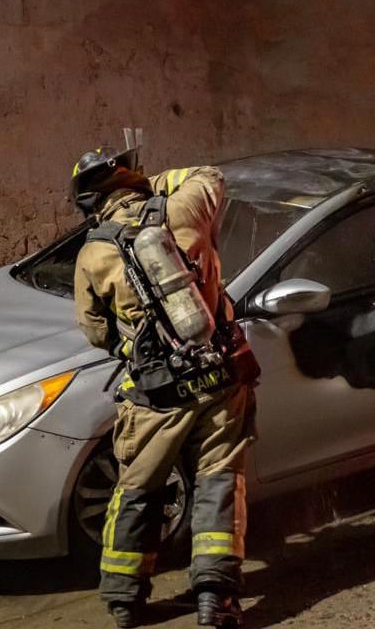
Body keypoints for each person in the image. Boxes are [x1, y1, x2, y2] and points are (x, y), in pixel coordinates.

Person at [71, 143, 258, 629]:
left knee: (137, 491)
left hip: (156, 395)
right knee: (218, 483)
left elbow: (97, 332)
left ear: (90, 203)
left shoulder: (93, 253)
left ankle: (124, 601)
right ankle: (214, 603)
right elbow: (210, 170)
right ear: (131, 179)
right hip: (219, 380)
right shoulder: (184, 205)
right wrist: (149, 181)